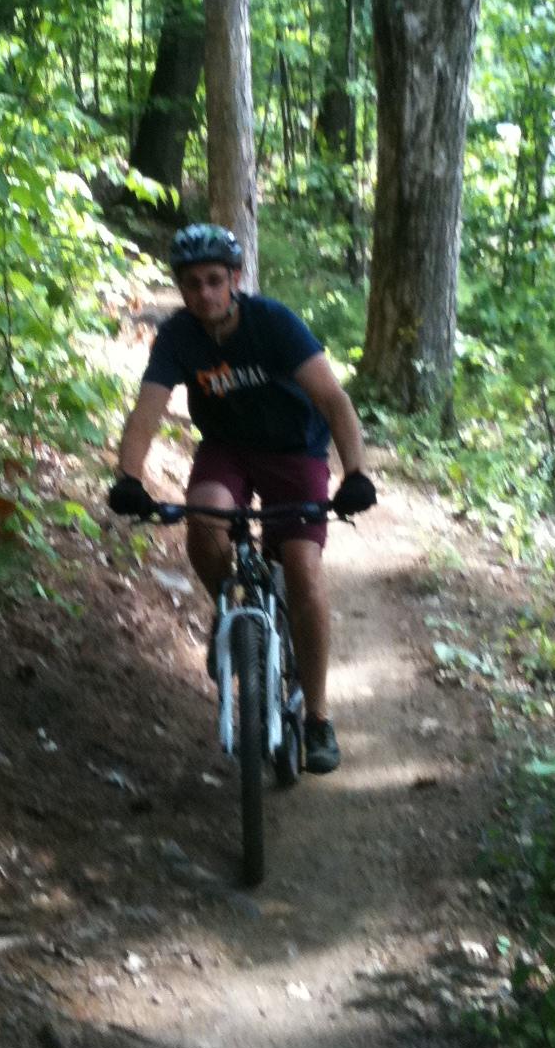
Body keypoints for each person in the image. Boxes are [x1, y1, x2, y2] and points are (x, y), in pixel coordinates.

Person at [107, 223, 376, 775]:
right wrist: (129, 478)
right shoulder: (179, 336)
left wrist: (355, 473)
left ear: (234, 279)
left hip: (293, 451)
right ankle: (229, 607)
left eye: (213, 280)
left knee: (302, 569)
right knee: (203, 520)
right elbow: (147, 409)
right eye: (191, 284)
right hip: (227, 449)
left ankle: (319, 718)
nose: (203, 293)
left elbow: (332, 398)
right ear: (180, 288)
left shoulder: (273, 323)